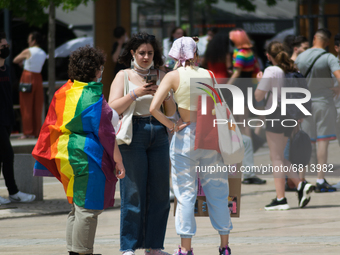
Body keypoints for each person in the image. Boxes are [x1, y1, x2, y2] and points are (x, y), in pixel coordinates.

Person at [32, 45, 125, 255]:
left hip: (65, 154)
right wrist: (118, 161)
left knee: (77, 206)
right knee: (88, 209)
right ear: (95, 70)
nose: (101, 71)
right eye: (100, 67)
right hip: (87, 155)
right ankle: (82, 252)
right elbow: (107, 135)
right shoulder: (94, 98)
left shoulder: (63, 92)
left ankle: (74, 250)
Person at [150, 36, 233, 255]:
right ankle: (224, 246)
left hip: (185, 136)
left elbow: (153, 108)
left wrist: (171, 124)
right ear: (195, 53)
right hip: (209, 135)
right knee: (217, 190)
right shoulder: (209, 74)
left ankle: (185, 249)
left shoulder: (172, 76)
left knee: (185, 194)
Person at [108, 32, 176, 255]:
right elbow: (112, 109)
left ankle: (154, 246)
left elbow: (172, 112)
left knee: (160, 193)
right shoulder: (123, 76)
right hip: (133, 133)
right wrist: (136, 93)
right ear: (132, 53)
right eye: (141, 53)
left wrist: (165, 95)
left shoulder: (162, 74)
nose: (146, 57)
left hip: (158, 132)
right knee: (134, 193)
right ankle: (129, 247)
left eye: (150, 53)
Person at [255, 41, 314, 210]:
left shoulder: (271, 70)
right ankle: (293, 188)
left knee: (276, 158)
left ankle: (283, 197)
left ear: (268, 56)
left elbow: (259, 96)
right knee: (280, 156)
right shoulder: (292, 70)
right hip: (290, 115)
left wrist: (260, 81)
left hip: (275, 114)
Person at [295, 28, 340, 192]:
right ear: (327, 42)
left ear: (314, 38)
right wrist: (337, 89)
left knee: (306, 143)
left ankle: (302, 179)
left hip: (304, 104)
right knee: (323, 141)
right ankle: (320, 179)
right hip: (324, 103)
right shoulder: (328, 58)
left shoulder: (301, 57)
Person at [0, 31, 36, 205]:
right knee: (8, 154)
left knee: (4, 156)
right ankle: (13, 191)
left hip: (7, 120)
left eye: (6, 46)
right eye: (2, 47)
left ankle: (12, 192)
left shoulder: (8, 68)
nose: (6, 49)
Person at [13, 31, 46, 139]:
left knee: (26, 105)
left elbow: (15, 60)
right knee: (37, 106)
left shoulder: (28, 51)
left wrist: (22, 62)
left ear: (33, 41)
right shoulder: (43, 53)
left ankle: (27, 132)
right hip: (38, 78)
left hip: (27, 76)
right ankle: (37, 132)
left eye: (29, 39)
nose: (28, 41)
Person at [228, 28, 260, 137]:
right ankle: (247, 148)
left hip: (239, 87)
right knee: (243, 120)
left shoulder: (241, 53)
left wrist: (226, 86)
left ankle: (244, 148)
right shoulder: (249, 52)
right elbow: (256, 67)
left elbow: (237, 73)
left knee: (239, 120)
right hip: (247, 86)